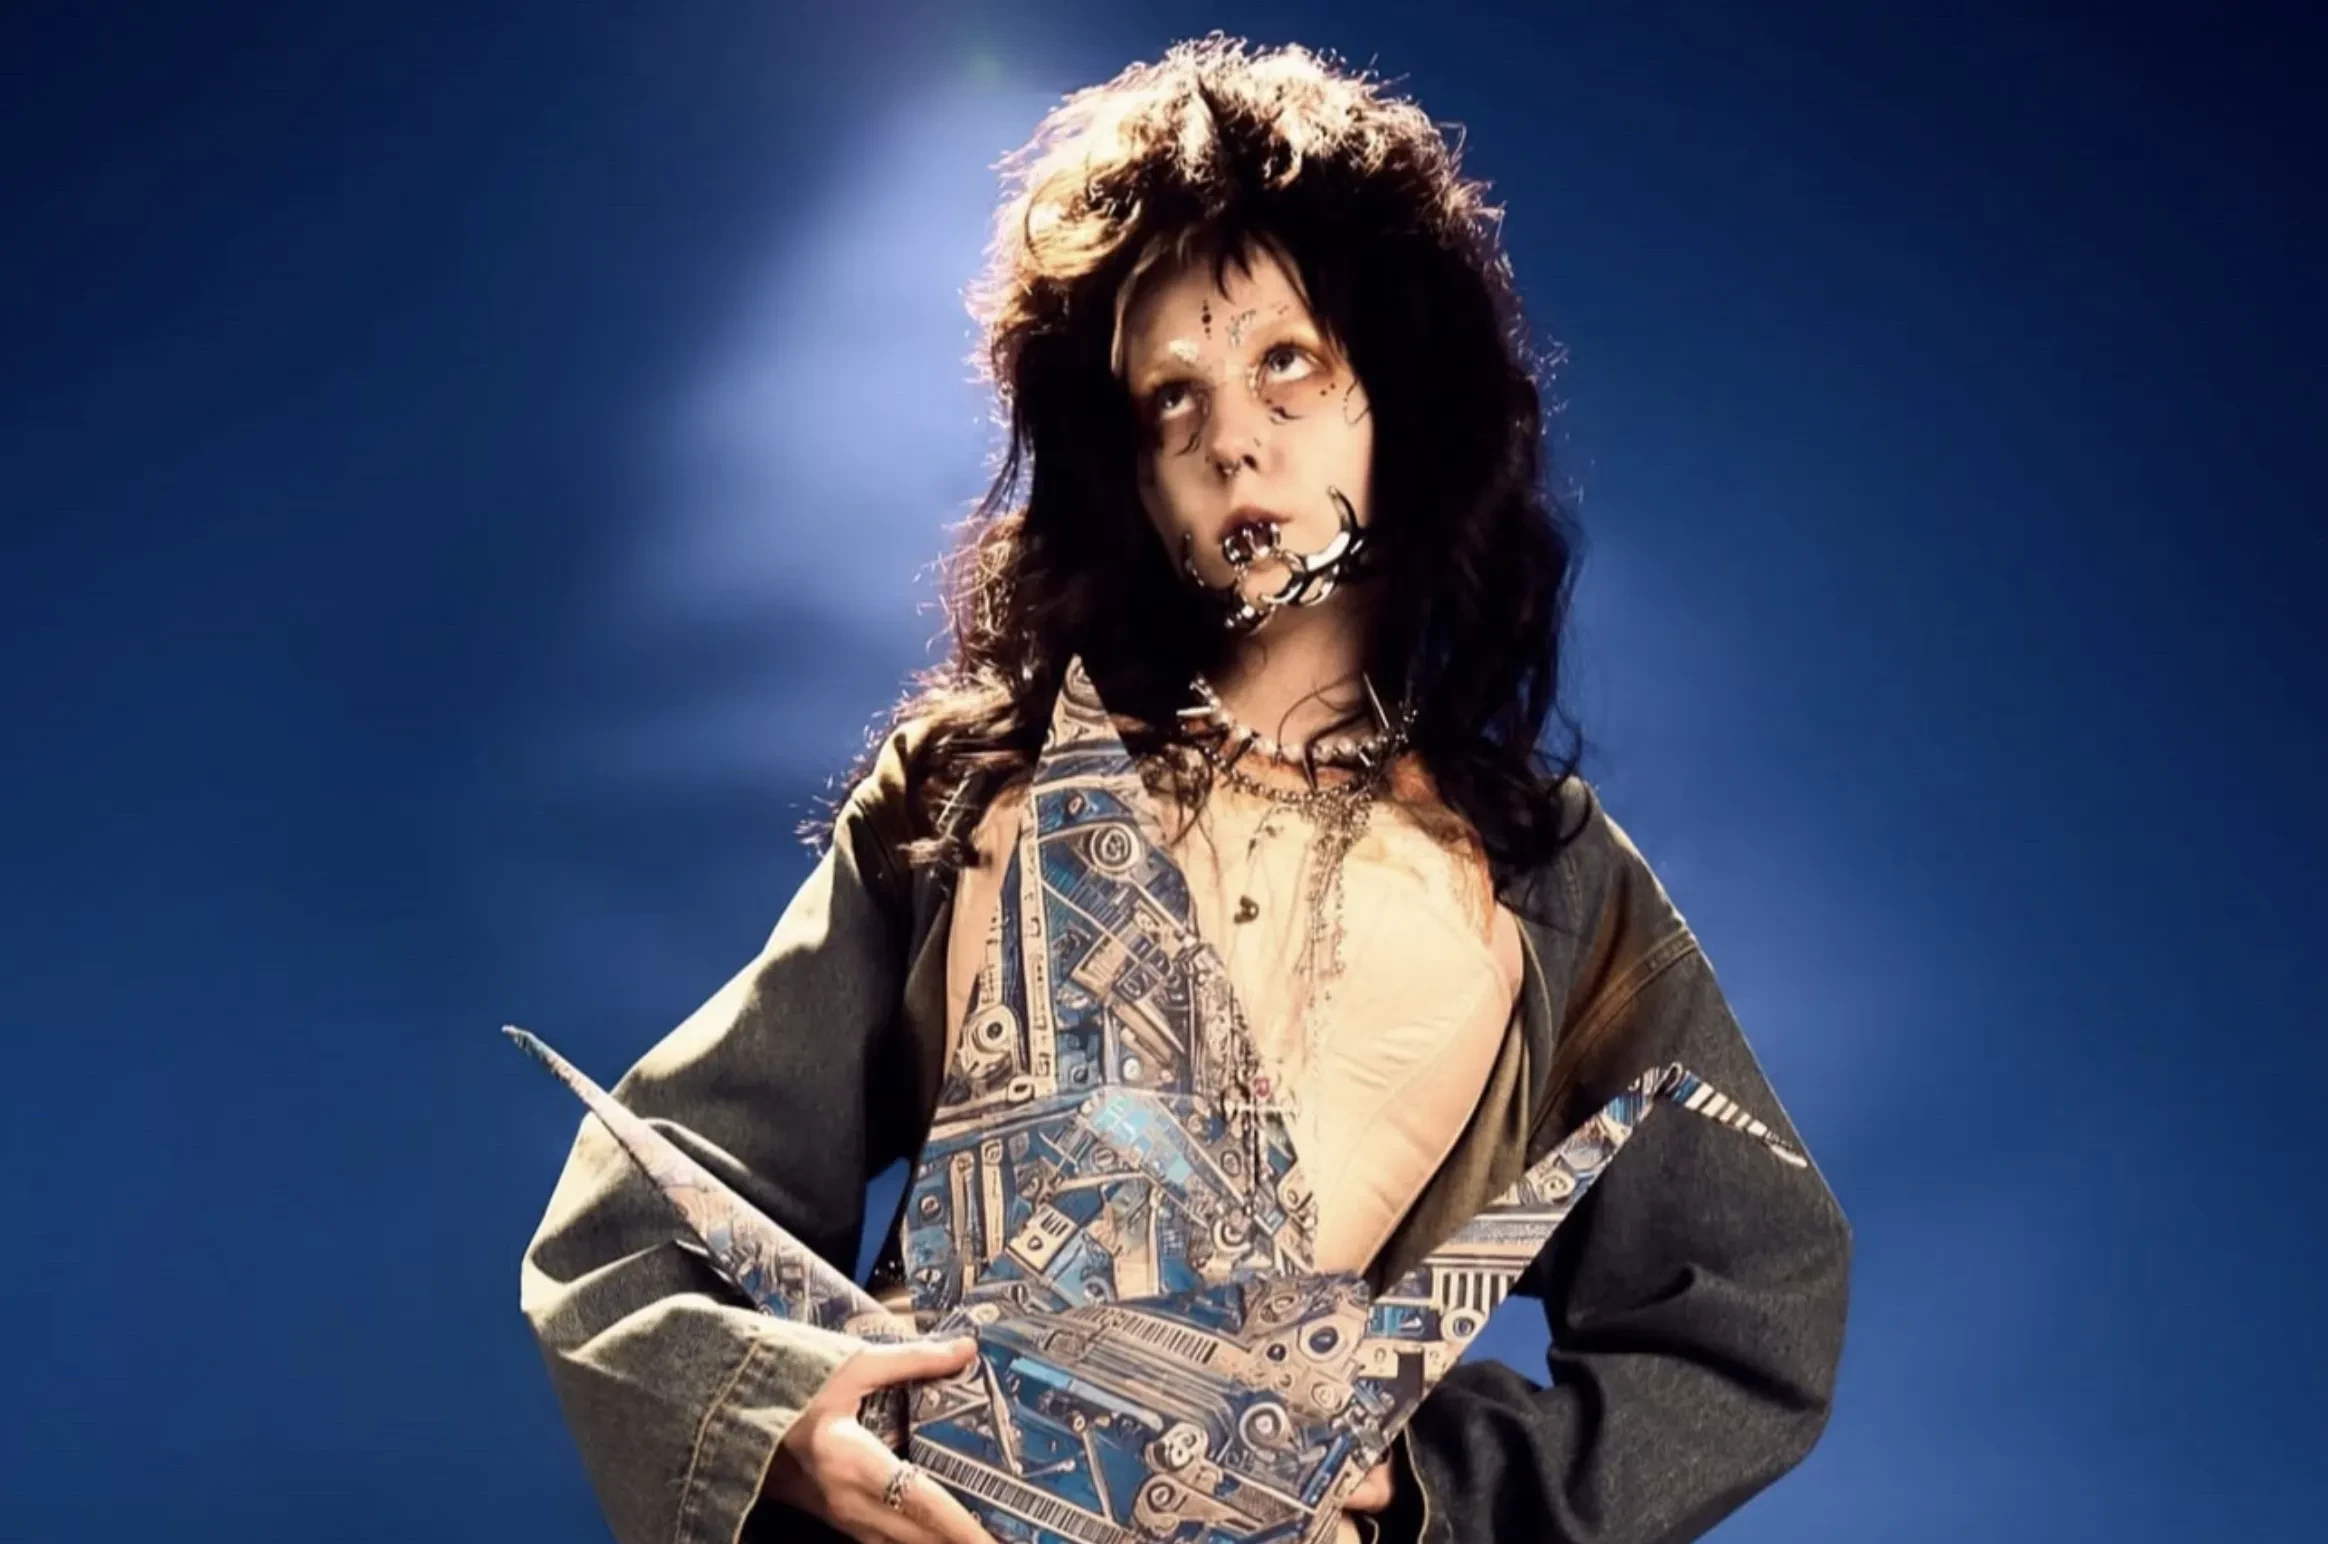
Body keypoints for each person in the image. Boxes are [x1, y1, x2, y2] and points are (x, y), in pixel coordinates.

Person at [519, 35, 1851, 1544]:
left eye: (1287, 362)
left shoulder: (1546, 887)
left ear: (1401, 398)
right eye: (1171, 399)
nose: (1229, 440)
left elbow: (1759, 1308)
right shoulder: (979, 794)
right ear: (1131, 475)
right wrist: (788, 1420)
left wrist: (1433, 1487)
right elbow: (642, 1216)